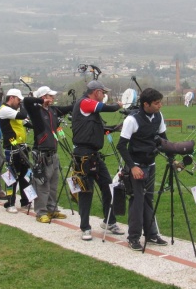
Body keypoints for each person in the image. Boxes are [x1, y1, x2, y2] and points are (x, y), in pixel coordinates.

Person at [71, 80, 124, 241]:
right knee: (86, 192)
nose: (105, 95)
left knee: (108, 187)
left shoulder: (90, 108)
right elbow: (107, 107)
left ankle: (110, 221)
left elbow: (98, 129)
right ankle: (85, 227)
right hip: (83, 155)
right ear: (96, 92)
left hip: (94, 155)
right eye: (103, 92)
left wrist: (115, 128)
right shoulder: (85, 103)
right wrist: (118, 105)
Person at [117, 88, 168, 250]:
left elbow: (163, 140)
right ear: (146, 104)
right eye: (156, 103)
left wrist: (173, 156)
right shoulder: (132, 120)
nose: (160, 106)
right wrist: (132, 167)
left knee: (148, 200)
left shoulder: (158, 116)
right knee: (137, 202)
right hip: (136, 167)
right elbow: (121, 146)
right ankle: (133, 237)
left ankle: (151, 234)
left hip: (151, 164)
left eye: (160, 102)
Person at [23, 86, 73, 223]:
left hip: (53, 153)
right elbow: (26, 101)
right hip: (41, 153)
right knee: (42, 184)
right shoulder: (36, 111)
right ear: (44, 97)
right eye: (50, 96)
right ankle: (41, 212)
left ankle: (52, 210)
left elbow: (68, 108)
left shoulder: (53, 110)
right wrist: (40, 102)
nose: (53, 98)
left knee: (53, 184)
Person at [0, 88, 31, 213]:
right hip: (12, 148)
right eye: (18, 100)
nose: (19, 103)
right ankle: (11, 202)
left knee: (25, 175)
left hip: (21, 146)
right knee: (12, 177)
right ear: (11, 98)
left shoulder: (12, 111)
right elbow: (23, 115)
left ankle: (25, 201)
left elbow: (24, 122)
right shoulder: (4, 110)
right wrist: (24, 105)